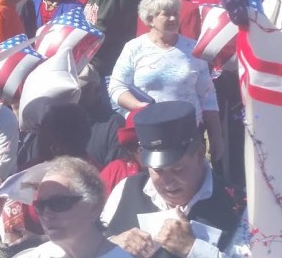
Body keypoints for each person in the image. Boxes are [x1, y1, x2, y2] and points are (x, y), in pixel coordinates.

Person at [103, 101, 248, 258]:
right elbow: (90, 246)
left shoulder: (237, 206)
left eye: (177, 169)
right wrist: (113, 244)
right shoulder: (126, 189)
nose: (168, 181)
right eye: (158, 171)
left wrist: (193, 249)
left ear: (199, 155)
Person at [109, 0, 223, 161]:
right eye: (166, 14)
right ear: (150, 19)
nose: (172, 19)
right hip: (149, 133)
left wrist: (216, 138)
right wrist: (139, 106)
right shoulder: (134, 48)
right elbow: (117, 87)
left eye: (175, 13)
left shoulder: (193, 49)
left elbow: (208, 97)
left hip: (188, 134)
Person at [0, 157, 132, 258]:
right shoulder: (41, 255)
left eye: (59, 203)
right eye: (40, 205)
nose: (46, 214)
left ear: (94, 207)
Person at [100, 109, 142, 196]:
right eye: (136, 143)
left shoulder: (175, 169)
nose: (140, 149)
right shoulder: (115, 170)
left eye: (148, 144)